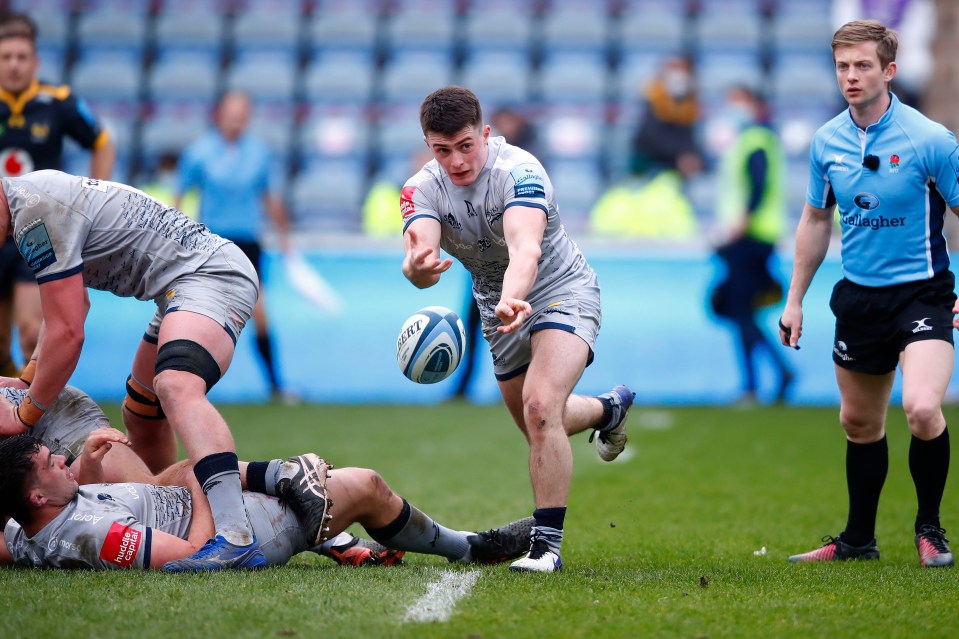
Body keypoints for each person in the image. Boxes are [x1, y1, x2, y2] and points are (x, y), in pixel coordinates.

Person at [401, 86, 634, 573]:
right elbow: (419, 246)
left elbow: (525, 248)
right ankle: (607, 409)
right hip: (497, 309)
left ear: (484, 133)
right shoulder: (420, 188)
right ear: (429, 146)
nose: (457, 160)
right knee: (538, 424)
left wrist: (513, 295)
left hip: (560, 289)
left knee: (540, 404)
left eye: (466, 145)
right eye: (442, 150)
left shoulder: (520, 171)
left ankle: (546, 547)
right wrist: (417, 268)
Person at [0, 169, 270, 571]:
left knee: (175, 385)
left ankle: (235, 532)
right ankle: (172, 515)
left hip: (209, 276)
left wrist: (26, 412)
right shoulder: (29, 201)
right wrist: (29, 378)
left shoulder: (34, 213)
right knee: (140, 414)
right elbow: (75, 307)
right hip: (180, 287)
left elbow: (69, 331)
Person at [780, 20, 959, 568]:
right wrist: (794, 299)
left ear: (889, 71)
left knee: (923, 407)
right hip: (859, 297)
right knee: (859, 424)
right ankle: (858, 541)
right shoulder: (826, 140)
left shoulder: (930, 140)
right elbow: (815, 219)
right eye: (842, 66)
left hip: (923, 295)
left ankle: (930, 529)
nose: (851, 76)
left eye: (862, 66)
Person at [0, 432, 534, 570]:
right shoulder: (96, 534)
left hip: (184, 502)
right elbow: (194, 554)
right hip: (237, 533)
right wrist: (198, 480)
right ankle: (471, 549)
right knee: (366, 485)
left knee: (133, 461)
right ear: (37, 495)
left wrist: (91, 471)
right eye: (53, 464)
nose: (62, 462)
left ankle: (305, 502)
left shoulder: (24, 526)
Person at [0, 12, 115, 377]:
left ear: (35, 62)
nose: (14, 65)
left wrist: (94, 198)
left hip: (37, 232)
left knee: (33, 332)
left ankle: (28, 419)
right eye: (6, 57)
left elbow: (103, 142)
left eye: (21, 57)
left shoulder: (58, 101)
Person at [176, 91, 293, 402]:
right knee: (201, 316)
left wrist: (285, 237)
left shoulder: (259, 152)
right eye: (232, 112)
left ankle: (275, 385)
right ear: (219, 114)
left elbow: (270, 197)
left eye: (243, 113)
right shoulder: (199, 152)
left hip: (248, 244)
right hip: (211, 243)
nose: (237, 119)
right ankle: (190, 386)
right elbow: (179, 196)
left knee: (261, 314)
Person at [709, 85, 794, 405]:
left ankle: (754, 384)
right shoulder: (751, 141)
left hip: (750, 238)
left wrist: (740, 223)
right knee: (738, 309)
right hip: (750, 237)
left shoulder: (755, 141)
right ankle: (772, 374)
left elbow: (758, 185)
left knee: (739, 309)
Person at [628, 56, 703, 180]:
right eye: (675, 68)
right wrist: (681, 155)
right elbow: (648, 136)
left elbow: (689, 137)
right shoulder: (652, 97)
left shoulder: (689, 104)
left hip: (675, 168)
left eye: (683, 70)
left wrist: (690, 155)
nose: (679, 75)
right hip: (649, 163)